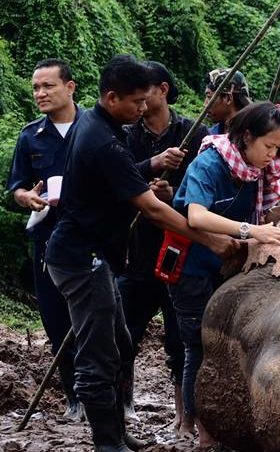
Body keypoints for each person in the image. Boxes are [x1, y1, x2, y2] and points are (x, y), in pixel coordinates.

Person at [44, 55, 240, 452]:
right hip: (82, 259)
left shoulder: (98, 124)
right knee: (98, 354)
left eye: (146, 100)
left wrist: (150, 164)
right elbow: (151, 208)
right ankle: (107, 443)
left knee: (116, 342)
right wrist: (210, 238)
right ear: (112, 97)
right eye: (136, 102)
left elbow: (124, 174)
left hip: (94, 255)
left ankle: (116, 433)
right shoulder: (103, 141)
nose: (142, 109)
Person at [169, 101, 280, 447]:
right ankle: (201, 432)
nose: (272, 155)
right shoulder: (210, 163)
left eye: (278, 148)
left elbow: (262, 215)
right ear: (246, 137)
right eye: (268, 146)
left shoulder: (259, 170)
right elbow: (197, 216)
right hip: (192, 266)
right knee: (198, 347)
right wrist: (251, 231)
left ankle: (225, 424)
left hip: (229, 265)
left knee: (229, 345)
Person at [117, 61, 208, 426]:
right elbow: (117, 178)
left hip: (179, 250)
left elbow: (205, 193)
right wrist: (149, 169)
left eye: (146, 91)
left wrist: (174, 194)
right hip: (135, 249)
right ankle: (122, 408)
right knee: (124, 332)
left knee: (180, 338)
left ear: (164, 90)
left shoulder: (194, 134)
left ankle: (184, 414)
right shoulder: (126, 135)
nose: (140, 100)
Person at [7, 58, 83, 420]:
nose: (40, 93)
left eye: (48, 86)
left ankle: (106, 398)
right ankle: (74, 399)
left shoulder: (97, 129)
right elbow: (15, 188)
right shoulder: (30, 136)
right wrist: (25, 197)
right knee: (56, 321)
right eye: (36, 87)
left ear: (70, 87)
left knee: (99, 322)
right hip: (48, 241)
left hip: (92, 241)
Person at [202, 68, 250, 135]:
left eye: (209, 97)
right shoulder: (210, 136)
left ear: (228, 99)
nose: (205, 104)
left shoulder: (253, 135)